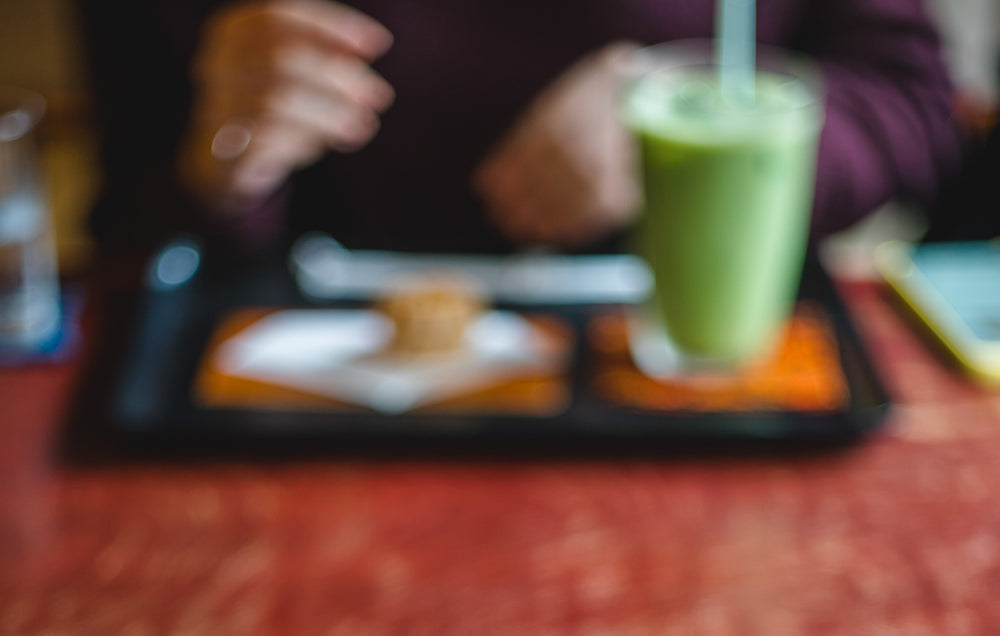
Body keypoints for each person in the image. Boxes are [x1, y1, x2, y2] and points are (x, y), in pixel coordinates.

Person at [77, 0, 962, 256]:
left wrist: (703, 125)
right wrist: (223, 170)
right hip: (314, 403)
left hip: (706, 384)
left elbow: (916, 109)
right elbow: (131, 222)